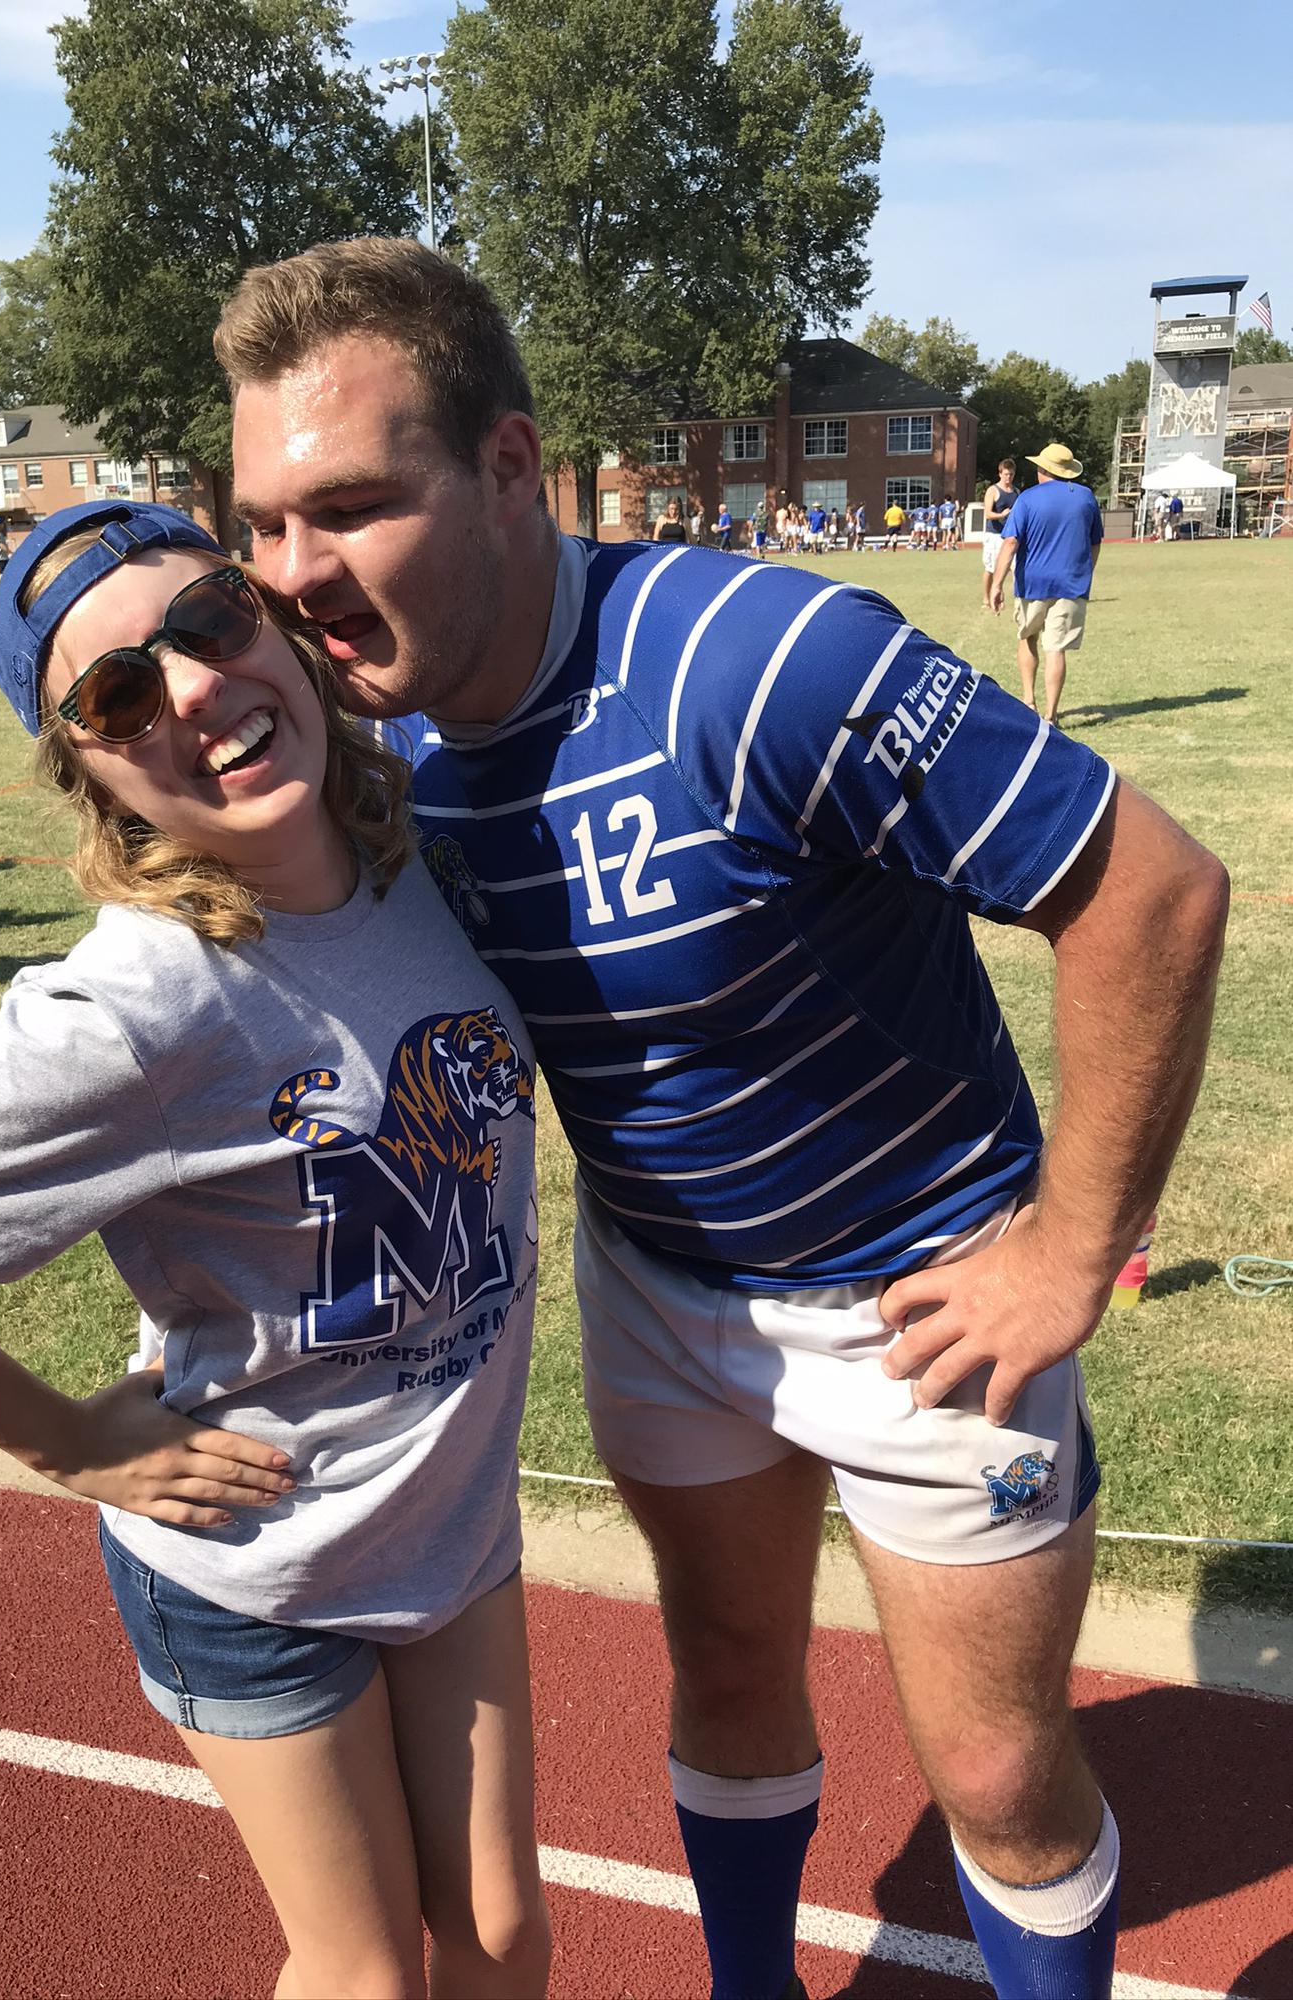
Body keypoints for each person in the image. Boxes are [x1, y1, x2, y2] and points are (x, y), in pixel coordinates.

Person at [221, 238, 1228, 2000]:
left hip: (927, 1302)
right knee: (734, 1668)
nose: (295, 574)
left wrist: (1073, 1252)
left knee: (996, 1772)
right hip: (664, 1291)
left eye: (351, 507)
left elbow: (1149, 893)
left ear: (513, 468)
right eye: (263, 522)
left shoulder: (765, 661)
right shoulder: (376, 753)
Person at [0, 497, 551, 2000]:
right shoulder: (137, 1008)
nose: (193, 689)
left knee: (503, 1940)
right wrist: (70, 1445)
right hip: (248, 1570)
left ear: (275, 623)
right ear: (91, 766)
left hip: (446, 1530)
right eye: (121, 693)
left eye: (208, 622)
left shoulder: (419, 848)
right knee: (362, 1973)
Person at [988, 441, 1105, 725]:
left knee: (1027, 637)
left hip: (1033, 583)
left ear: (1043, 469)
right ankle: (1051, 715)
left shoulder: (1027, 498)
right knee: (1056, 648)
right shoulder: (1086, 497)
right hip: (1072, 584)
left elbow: (1011, 541)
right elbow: (1095, 543)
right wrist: (1085, 571)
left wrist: (996, 583)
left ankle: (1029, 701)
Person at [982, 459, 1019, 607]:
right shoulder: (993, 490)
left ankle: (1015, 598)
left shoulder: (1016, 492)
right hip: (994, 535)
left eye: (1010, 474)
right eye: (1005, 474)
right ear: (1000, 473)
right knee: (991, 569)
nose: (1008, 477)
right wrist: (1002, 515)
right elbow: (988, 514)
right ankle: (986, 599)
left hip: (1011, 536)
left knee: (1015, 567)